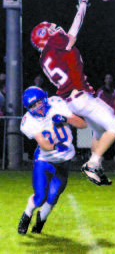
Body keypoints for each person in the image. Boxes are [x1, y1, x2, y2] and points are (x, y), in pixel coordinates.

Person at [30, 0, 115, 185]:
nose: (56, 29)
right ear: (46, 36)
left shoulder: (45, 57)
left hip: (74, 100)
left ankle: (95, 168)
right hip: (79, 98)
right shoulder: (54, 44)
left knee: (99, 130)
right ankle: (92, 163)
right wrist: (82, 6)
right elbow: (73, 32)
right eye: (51, 29)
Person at [18, 86, 88, 235]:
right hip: (44, 160)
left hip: (64, 160)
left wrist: (65, 118)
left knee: (54, 196)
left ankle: (40, 222)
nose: (37, 107)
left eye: (38, 102)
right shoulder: (28, 121)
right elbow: (44, 145)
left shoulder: (57, 104)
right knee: (40, 197)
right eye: (32, 106)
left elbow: (83, 124)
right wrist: (56, 146)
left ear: (44, 98)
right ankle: (27, 214)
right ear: (28, 108)